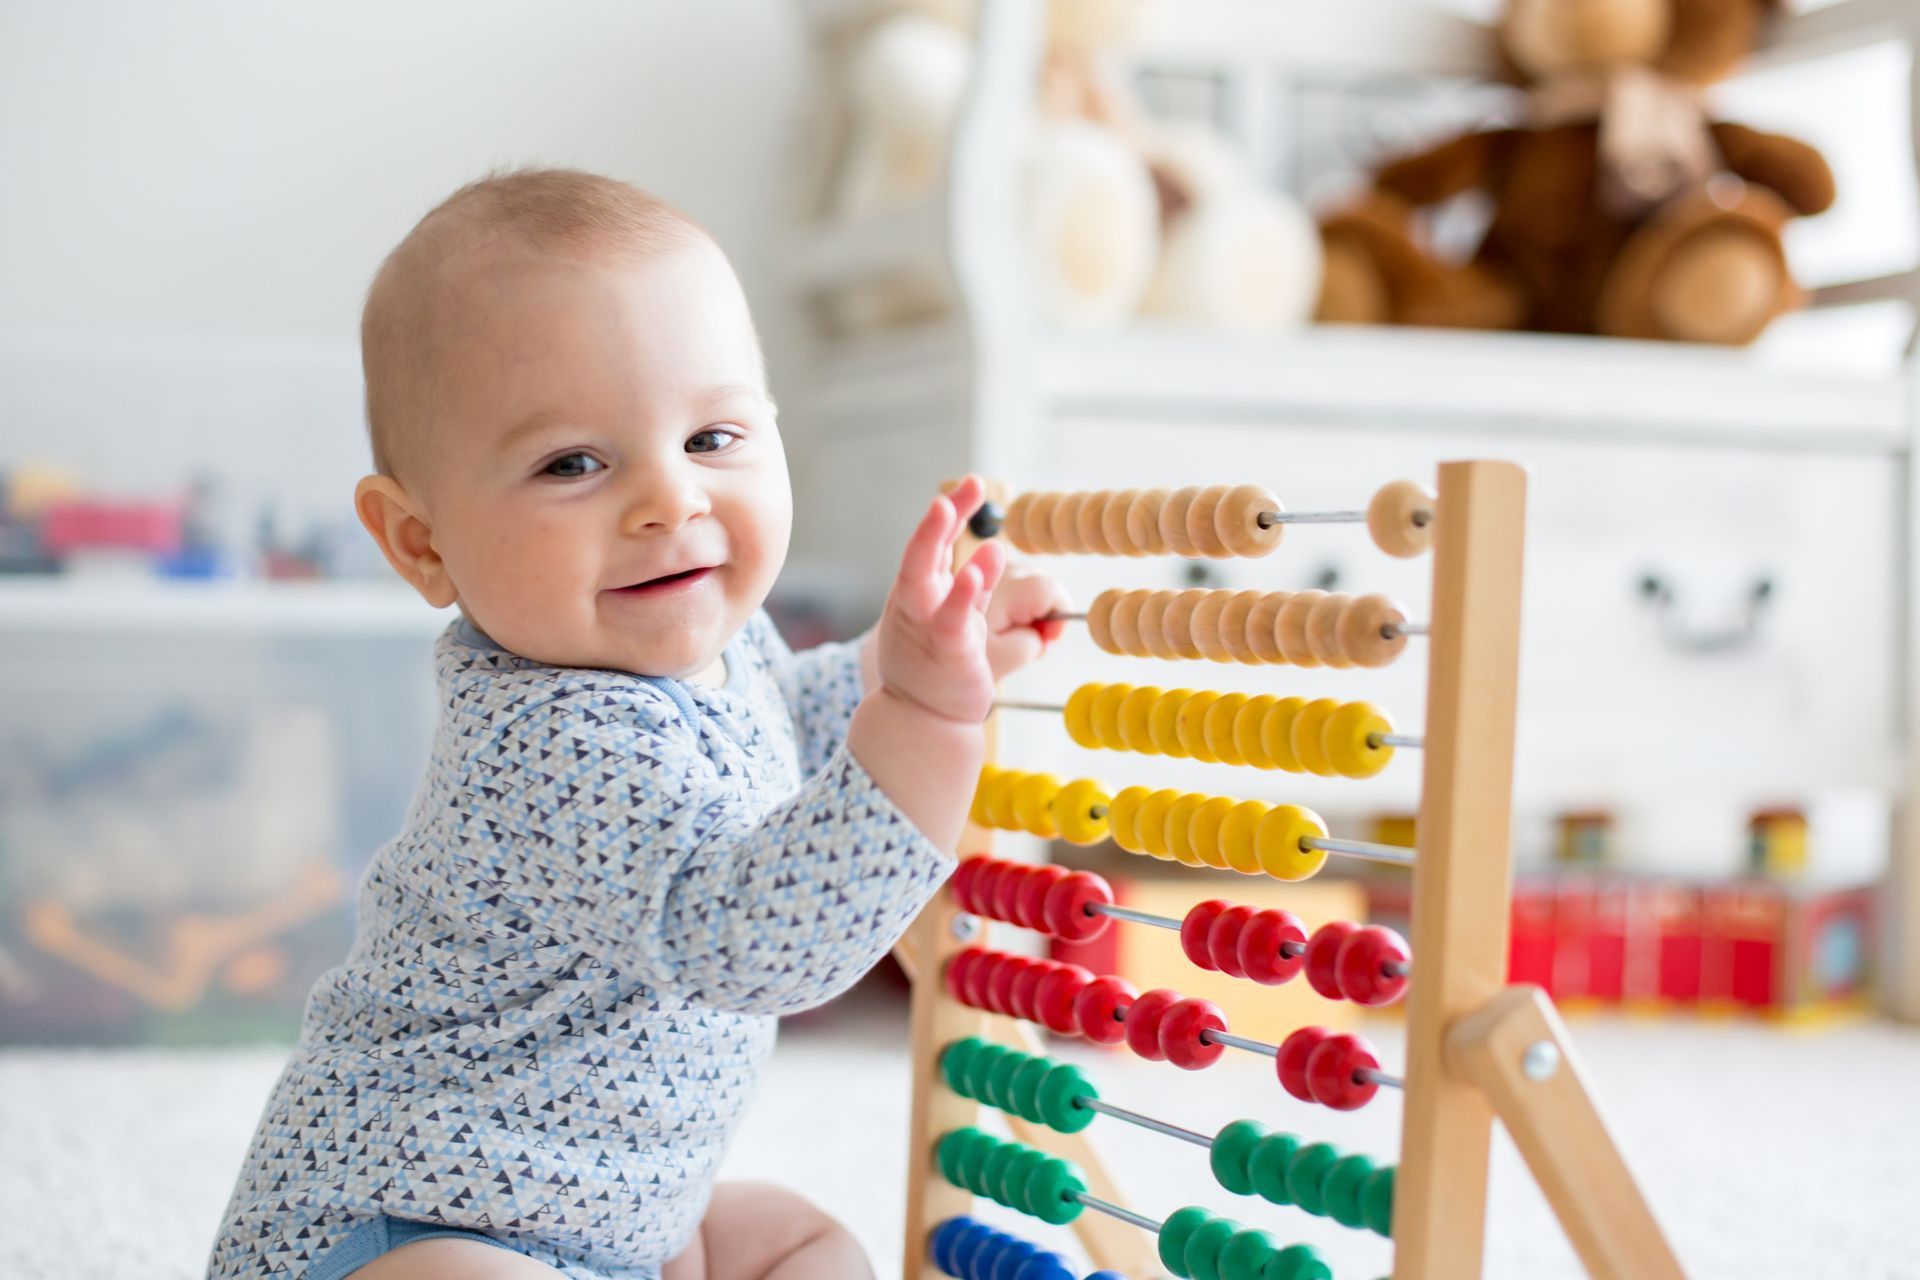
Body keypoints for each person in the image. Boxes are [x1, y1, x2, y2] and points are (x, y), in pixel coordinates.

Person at [206, 167, 1070, 1280]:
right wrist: (927, 718)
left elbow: (784, 732)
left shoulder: (712, 649)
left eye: (713, 438)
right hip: (410, 1223)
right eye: (574, 462)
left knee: (804, 1239)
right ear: (421, 543)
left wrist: (893, 664)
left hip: (622, 1222)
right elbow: (760, 936)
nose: (672, 499)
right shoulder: (546, 742)